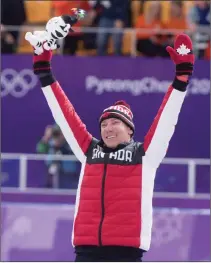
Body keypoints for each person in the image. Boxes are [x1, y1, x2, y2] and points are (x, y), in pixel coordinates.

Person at [28, 31, 194, 261]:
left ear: (130, 130)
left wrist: (181, 79)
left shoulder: (144, 154)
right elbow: (65, 115)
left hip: (125, 253)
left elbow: (166, 120)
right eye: (104, 124)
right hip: (85, 251)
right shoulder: (89, 151)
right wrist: (45, 72)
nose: (107, 128)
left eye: (115, 122)